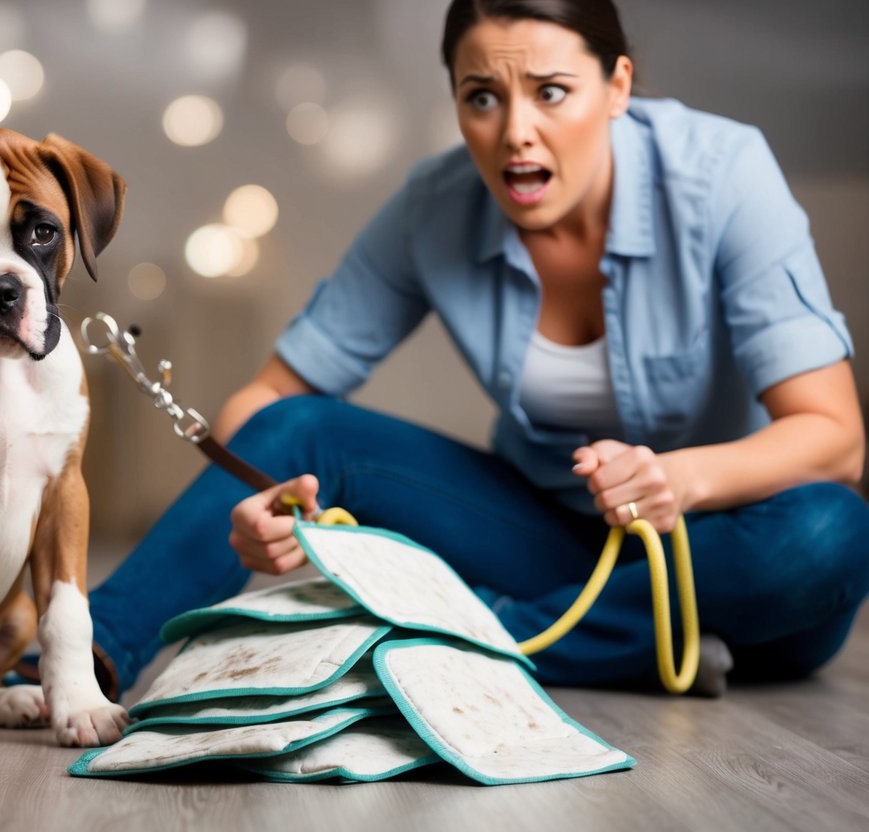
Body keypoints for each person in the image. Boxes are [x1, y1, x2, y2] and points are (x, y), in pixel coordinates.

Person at [83, 0, 869, 699]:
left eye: (551, 92)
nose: (515, 132)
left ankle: (474, 633)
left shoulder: (724, 174)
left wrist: (677, 481)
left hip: (719, 563)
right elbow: (268, 402)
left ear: (618, 87)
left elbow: (833, 439)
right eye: (482, 98)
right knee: (297, 429)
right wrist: (259, 498)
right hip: (546, 546)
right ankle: (76, 657)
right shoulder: (435, 206)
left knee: (827, 531)